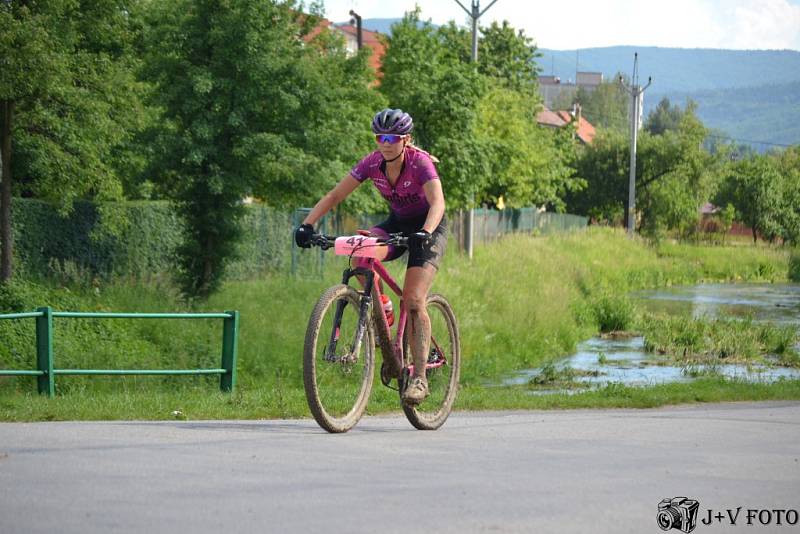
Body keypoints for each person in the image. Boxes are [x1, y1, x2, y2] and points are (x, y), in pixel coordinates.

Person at [294, 108, 447, 405]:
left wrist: (426, 231)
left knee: (414, 300)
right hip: (397, 225)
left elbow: (437, 202)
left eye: (392, 137)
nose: (386, 143)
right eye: (380, 137)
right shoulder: (372, 164)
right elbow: (335, 196)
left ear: (406, 140)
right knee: (359, 250)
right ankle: (384, 309)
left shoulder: (420, 164)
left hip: (429, 228)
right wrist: (307, 225)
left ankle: (419, 379)